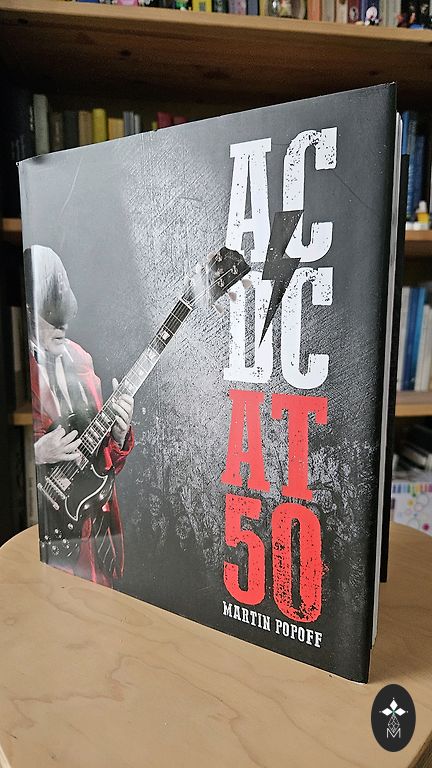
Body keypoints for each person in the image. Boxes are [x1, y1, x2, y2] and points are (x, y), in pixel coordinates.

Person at [26, 245, 135, 588]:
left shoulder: (81, 360)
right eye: (52, 319)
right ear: (28, 312)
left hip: (91, 538)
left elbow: (103, 464)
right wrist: (35, 454)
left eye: (65, 317)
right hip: (38, 536)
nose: (63, 327)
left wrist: (118, 437)